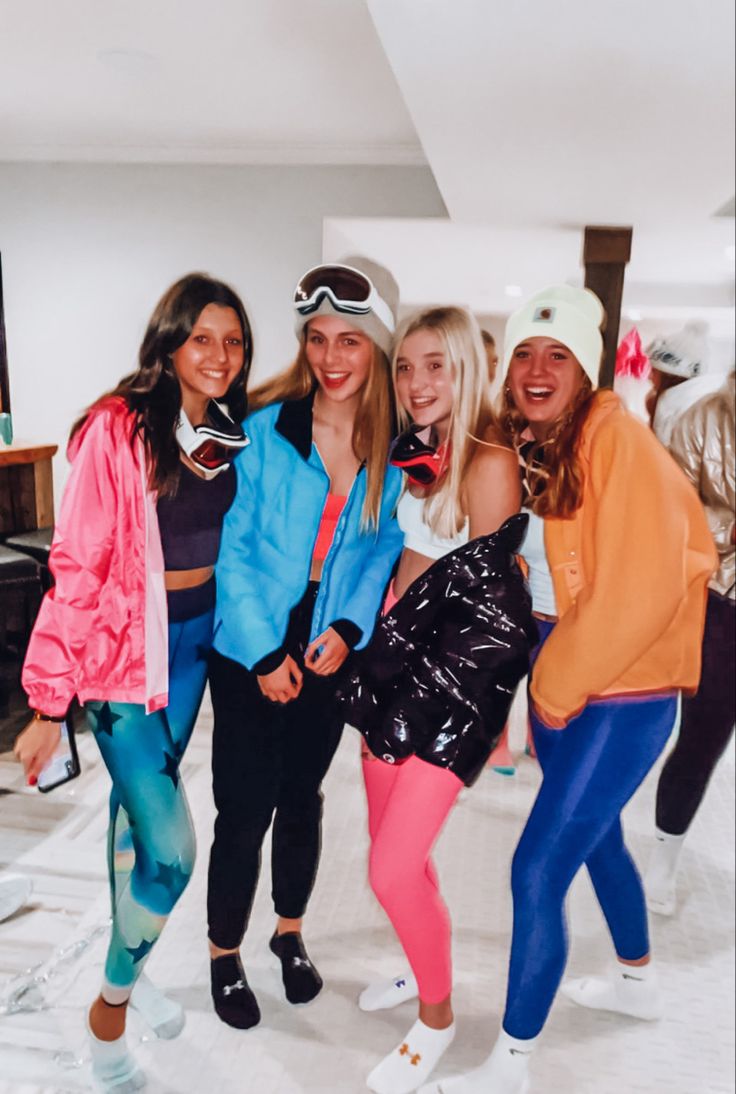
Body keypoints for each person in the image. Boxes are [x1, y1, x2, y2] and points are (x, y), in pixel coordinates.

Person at [423, 286, 716, 1094]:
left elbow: (648, 582)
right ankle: (637, 980)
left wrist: (554, 684)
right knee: (599, 839)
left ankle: (511, 1064)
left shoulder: (616, 437)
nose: (537, 368)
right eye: (524, 353)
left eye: (558, 355)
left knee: (536, 869)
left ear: (587, 369)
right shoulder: (547, 441)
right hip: (571, 678)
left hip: (622, 689)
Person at [14, 273, 252, 1093]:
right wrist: (49, 701)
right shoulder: (116, 429)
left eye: (234, 340)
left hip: (189, 654)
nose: (219, 356)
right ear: (169, 341)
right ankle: (108, 1012)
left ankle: (133, 956)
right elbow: (75, 566)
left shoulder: (230, 427)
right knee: (174, 853)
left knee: (132, 813)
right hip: (122, 665)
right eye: (202, 339)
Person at [341, 306, 536, 1094]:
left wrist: (497, 717)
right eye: (407, 366)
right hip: (394, 663)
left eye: (436, 366)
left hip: (453, 685)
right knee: (397, 852)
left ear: (466, 368)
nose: (417, 383)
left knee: (390, 868)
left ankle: (438, 1018)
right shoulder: (418, 449)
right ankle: (419, 965)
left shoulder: (488, 461)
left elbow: (500, 607)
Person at [206, 257, 404, 1030]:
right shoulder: (261, 430)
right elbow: (235, 549)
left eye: (349, 341)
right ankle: (224, 953)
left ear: (374, 349)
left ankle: (288, 934)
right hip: (251, 638)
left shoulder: (393, 446)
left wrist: (349, 626)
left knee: (302, 800)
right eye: (317, 339)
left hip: (328, 637)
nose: (331, 358)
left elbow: (381, 545)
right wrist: (261, 653)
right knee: (244, 805)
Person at [646, 371, 735, 916]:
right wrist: (728, 532)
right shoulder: (702, 418)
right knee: (703, 737)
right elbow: (667, 512)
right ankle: (665, 857)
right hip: (721, 602)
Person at [646, 320, 726, 446]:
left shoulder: (673, 407)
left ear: (669, 376)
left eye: (654, 371)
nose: (649, 377)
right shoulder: (696, 403)